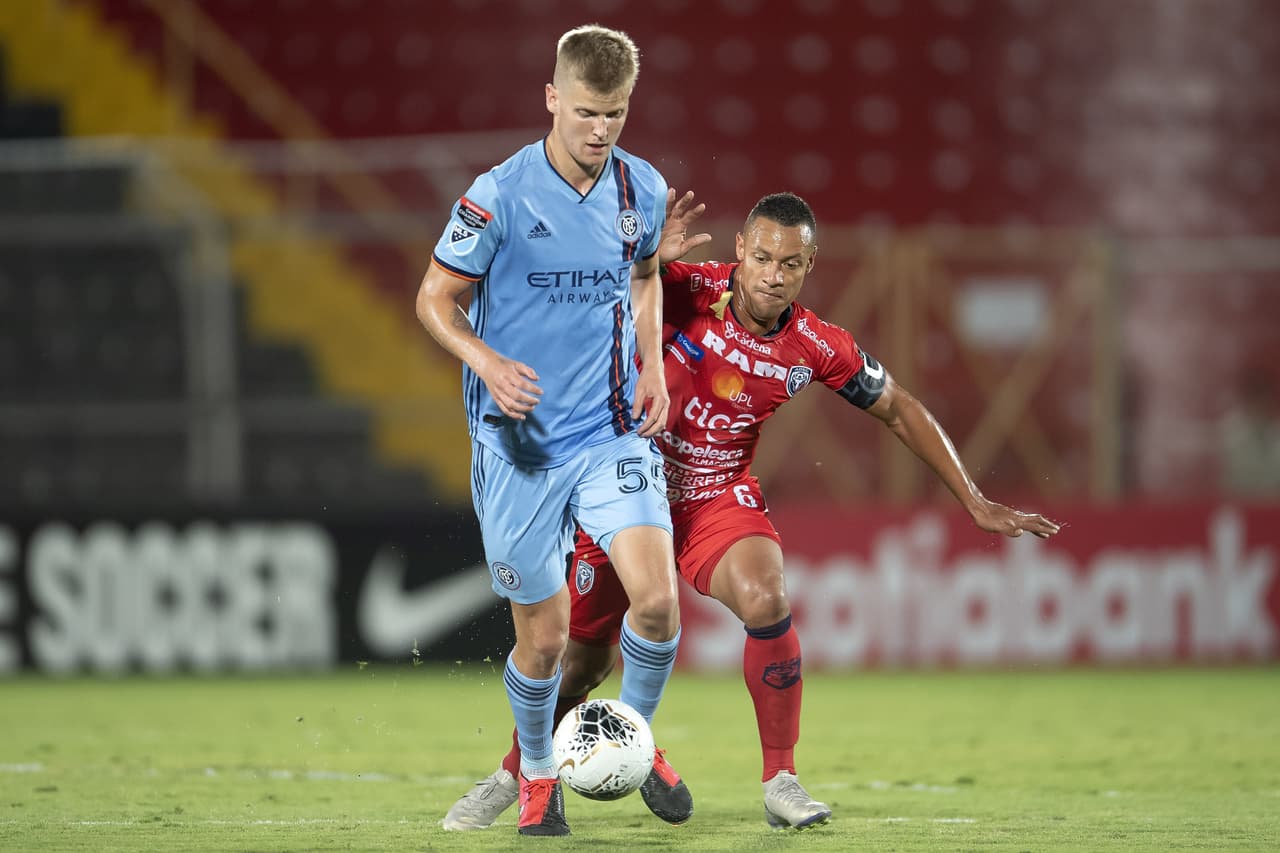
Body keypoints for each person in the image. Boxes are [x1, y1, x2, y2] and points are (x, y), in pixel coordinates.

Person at [443, 189, 1063, 831]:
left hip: (715, 497)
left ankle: (781, 782)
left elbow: (900, 407)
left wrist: (977, 501)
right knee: (581, 665)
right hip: (627, 485)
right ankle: (516, 773)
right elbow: (585, 299)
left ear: (808, 266)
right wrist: (643, 261)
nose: (773, 275)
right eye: (762, 257)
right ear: (740, 249)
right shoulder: (683, 289)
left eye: (790, 264)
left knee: (767, 597)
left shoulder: (816, 345)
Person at [417, 25, 691, 837]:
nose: (599, 130)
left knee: (659, 603)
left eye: (614, 113)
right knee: (544, 643)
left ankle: (632, 741)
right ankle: (539, 773)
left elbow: (644, 276)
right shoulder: (497, 195)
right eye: (584, 112)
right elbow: (434, 299)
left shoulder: (642, 187)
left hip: (609, 430)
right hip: (519, 445)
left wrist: (652, 365)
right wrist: (486, 359)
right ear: (551, 98)